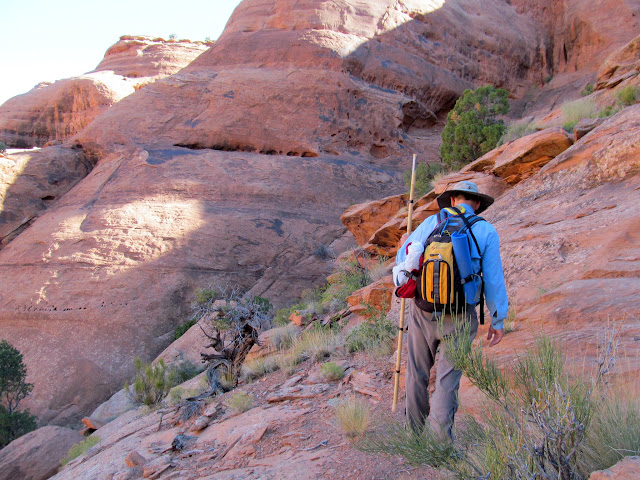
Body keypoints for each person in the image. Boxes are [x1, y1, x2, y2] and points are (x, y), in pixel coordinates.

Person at [394, 180, 508, 440]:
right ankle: (439, 444)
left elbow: (403, 259)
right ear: (477, 203)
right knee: (446, 381)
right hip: (459, 313)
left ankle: (414, 436)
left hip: (423, 310)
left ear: (453, 200)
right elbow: (493, 279)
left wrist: (404, 243)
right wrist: (497, 319)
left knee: (417, 374)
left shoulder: (432, 223)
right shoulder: (486, 231)